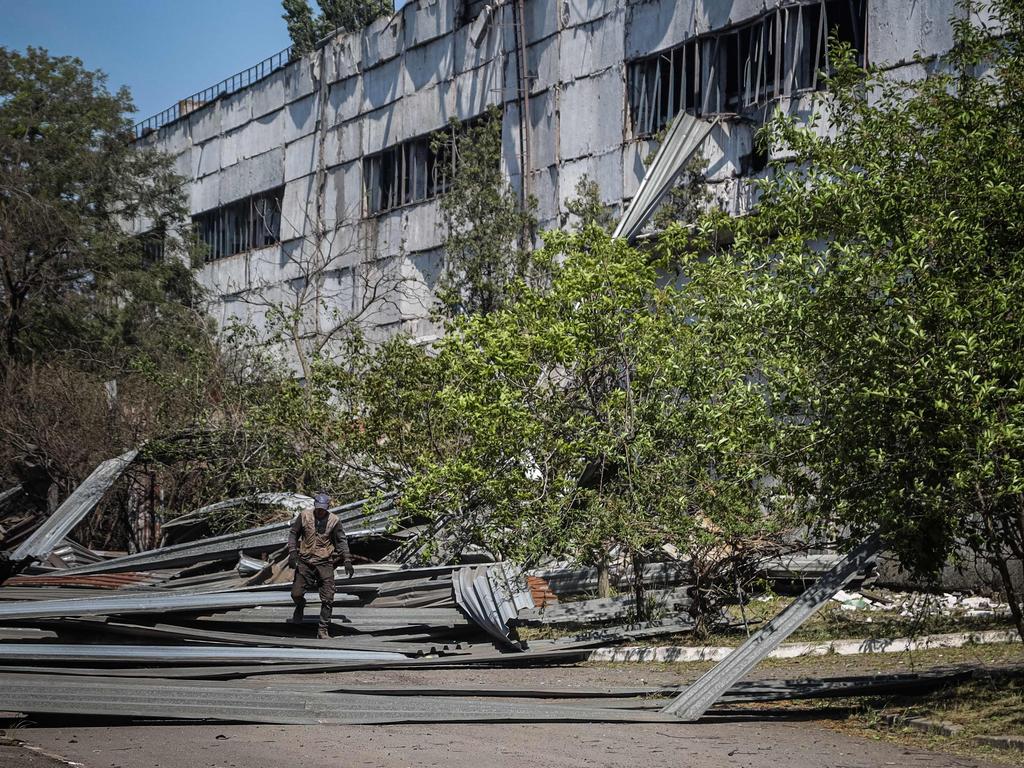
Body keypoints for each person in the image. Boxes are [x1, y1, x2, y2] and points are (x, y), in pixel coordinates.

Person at [287, 491, 354, 639]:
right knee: (296, 594)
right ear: (314, 506)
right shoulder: (304, 516)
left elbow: (342, 541)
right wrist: (292, 552)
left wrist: (347, 560)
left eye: (323, 508)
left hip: (324, 562)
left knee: (328, 598)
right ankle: (300, 605)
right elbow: (293, 534)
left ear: (327, 507)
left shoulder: (334, 521)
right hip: (305, 561)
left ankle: (323, 630)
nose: (320, 511)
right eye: (318, 507)